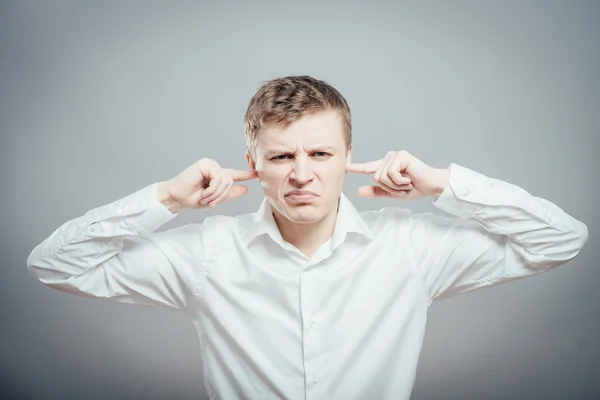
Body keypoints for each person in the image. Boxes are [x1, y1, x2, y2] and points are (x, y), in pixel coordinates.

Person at [27, 75, 588, 400]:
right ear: (254, 163)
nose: (301, 174)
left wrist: (443, 185)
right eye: (281, 156)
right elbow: (55, 265)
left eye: (320, 154)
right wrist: (167, 199)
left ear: (349, 157)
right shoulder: (207, 255)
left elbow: (560, 239)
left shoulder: (411, 247)